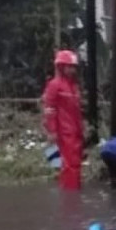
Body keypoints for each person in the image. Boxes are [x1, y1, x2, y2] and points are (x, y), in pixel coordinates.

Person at [43, 50, 84, 192]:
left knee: (75, 163)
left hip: (75, 131)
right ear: (61, 66)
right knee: (69, 164)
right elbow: (49, 109)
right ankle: (70, 195)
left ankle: (73, 191)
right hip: (64, 131)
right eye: (69, 66)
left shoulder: (73, 86)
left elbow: (77, 110)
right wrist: (52, 131)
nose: (72, 69)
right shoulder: (54, 85)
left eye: (73, 66)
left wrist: (81, 130)